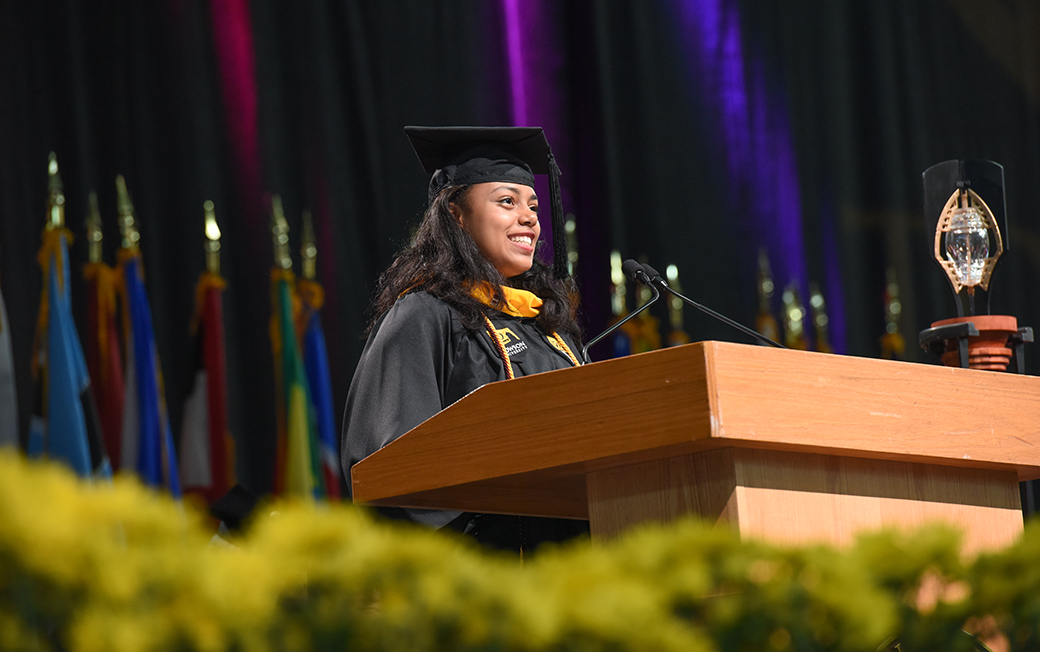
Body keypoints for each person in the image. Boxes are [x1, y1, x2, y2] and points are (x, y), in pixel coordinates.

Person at [341, 126, 589, 554]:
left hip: (574, 572)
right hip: (481, 575)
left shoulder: (550, 327)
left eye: (532, 205)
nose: (530, 217)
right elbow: (386, 462)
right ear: (457, 213)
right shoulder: (424, 315)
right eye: (507, 201)